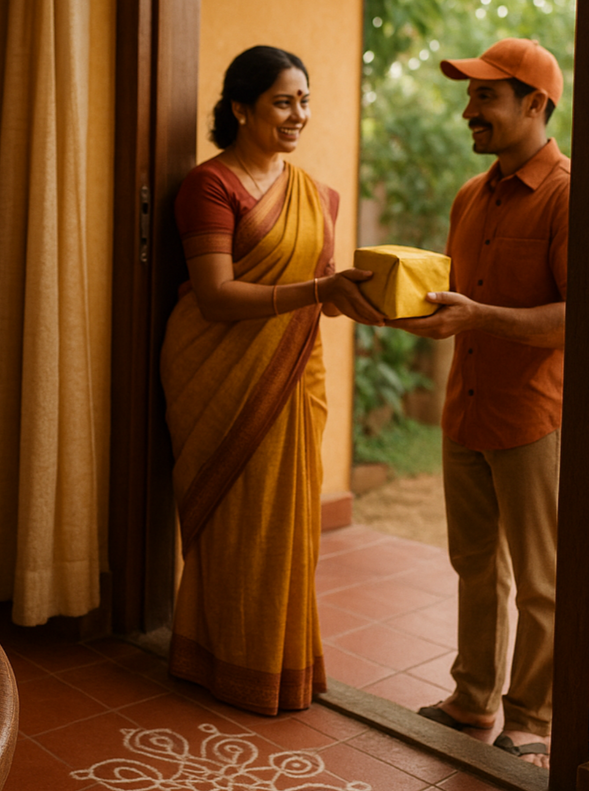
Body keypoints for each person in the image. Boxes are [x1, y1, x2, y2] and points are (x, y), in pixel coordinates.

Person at [160, 45, 383, 715]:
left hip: (291, 374)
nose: (299, 115)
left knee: (285, 524)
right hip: (216, 372)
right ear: (240, 109)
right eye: (284, 101)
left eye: (305, 101)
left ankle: (275, 662)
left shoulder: (319, 196)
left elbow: (324, 295)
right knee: (234, 520)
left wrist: (386, 304)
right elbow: (217, 296)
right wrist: (318, 288)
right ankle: (217, 658)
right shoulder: (210, 186)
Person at [388, 38, 568, 769]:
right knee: (473, 564)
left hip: (532, 415)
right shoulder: (470, 195)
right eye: (469, 97)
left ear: (534, 104)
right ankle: (473, 699)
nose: (470, 111)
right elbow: (458, 303)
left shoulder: (567, 194)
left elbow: (580, 318)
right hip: (465, 411)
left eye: (484, 97)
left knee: (541, 580)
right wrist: (402, 309)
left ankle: (532, 717)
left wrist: (481, 319)